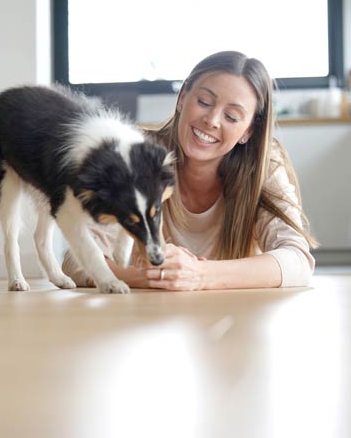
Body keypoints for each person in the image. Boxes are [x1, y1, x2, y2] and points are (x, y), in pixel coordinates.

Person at [63, 50, 317, 290]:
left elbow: (298, 262)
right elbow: (76, 259)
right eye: (205, 101)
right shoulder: (138, 154)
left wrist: (198, 275)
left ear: (248, 131)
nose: (212, 120)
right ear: (183, 96)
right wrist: (148, 277)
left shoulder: (265, 166)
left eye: (231, 117)